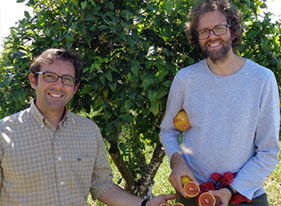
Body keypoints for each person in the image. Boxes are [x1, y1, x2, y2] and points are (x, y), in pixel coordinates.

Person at [0, 48, 177, 206]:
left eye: (67, 79)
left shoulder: (88, 130)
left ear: (75, 87)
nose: (58, 85)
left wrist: (144, 205)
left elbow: (102, 186)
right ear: (33, 80)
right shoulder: (4, 132)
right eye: (49, 76)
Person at [159, 0, 280, 206]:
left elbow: (268, 151)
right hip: (194, 193)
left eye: (219, 28)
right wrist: (176, 161)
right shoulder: (185, 79)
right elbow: (168, 131)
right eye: (204, 31)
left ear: (233, 31)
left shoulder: (262, 79)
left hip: (244, 194)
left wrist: (231, 190)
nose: (212, 36)